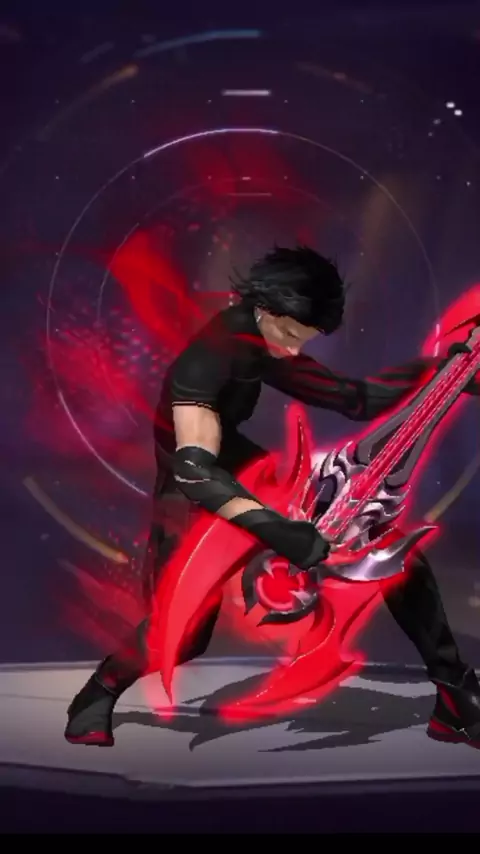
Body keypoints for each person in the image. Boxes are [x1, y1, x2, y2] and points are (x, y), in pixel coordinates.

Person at [65, 245, 480, 749]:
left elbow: (353, 398)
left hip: (252, 472)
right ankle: (101, 688)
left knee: (388, 550)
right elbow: (195, 470)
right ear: (265, 310)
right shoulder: (208, 359)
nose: (293, 349)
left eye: (303, 339)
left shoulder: (267, 335)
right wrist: (276, 529)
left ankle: (454, 694)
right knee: (184, 633)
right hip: (191, 489)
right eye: (289, 335)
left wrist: (444, 373)